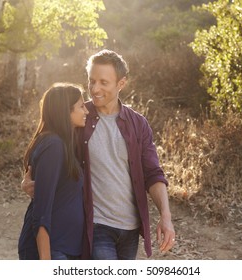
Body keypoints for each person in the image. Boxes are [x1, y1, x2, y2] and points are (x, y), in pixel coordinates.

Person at [22, 49, 175, 259]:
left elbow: (153, 173)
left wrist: (165, 216)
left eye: (104, 82)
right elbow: (47, 146)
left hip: (130, 229)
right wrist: (30, 180)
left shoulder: (138, 125)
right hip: (96, 226)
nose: (94, 89)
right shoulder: (77, 117)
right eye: (91, 81)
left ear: (121, 83)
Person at [18, 83, 89, 260]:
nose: (86, 111)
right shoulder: (53, 145)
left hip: (65, 248)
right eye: (81, 106)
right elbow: (42, 212)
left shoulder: (64, 144)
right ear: (66, 111)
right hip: (52, 250)